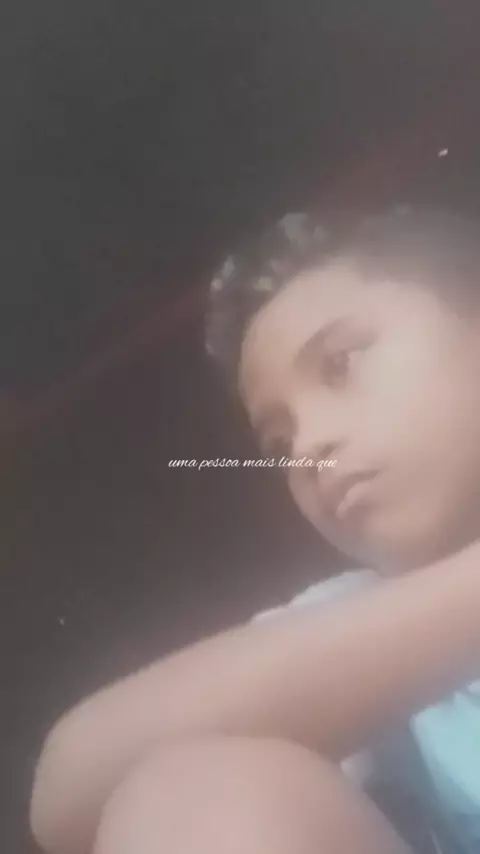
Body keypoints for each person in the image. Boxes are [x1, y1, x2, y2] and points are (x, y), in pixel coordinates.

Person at [30, 207, 480, 854]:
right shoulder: (354, 617)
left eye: (341, 364)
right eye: (279, 442)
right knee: (197, 796)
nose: (309, 447)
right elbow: (71, 790)